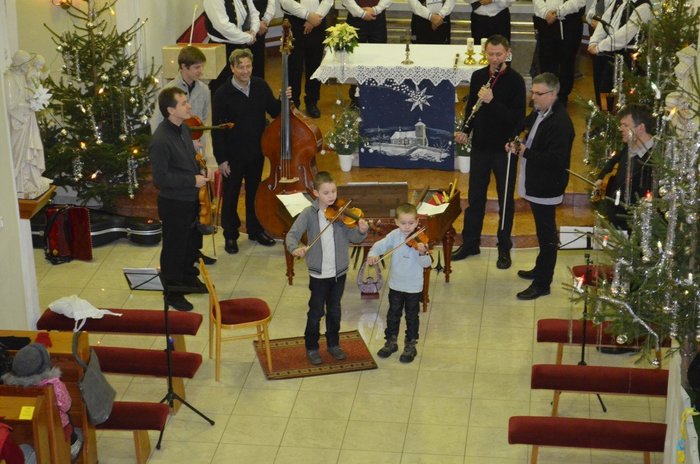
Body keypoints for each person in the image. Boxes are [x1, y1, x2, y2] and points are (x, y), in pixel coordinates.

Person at [452, 35, 526, 270]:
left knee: (505, 200)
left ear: (508, 53)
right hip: (481, 146)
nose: (494, 59)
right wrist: (465, 130)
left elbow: (517, 119)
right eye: (490, 54)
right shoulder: (478, 77)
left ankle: (504, 247)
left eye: (498, 54)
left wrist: (492, 101)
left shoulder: (516, 81)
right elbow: (472, 110)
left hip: (504, 149)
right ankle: (470, 243)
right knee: (475, 198)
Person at [286, 171, 369, 365]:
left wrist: (361, 231)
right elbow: (292, 234)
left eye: (334, 191)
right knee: (316, 312)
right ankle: (312, 347)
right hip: (318, 274)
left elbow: (354, 238)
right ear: (316, 193)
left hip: (339, 273)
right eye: (326, 193)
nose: (331, 196)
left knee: (334, 310)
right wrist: (295, 248)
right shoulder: (309, 214)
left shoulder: (341, 213)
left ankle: (333, 344)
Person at [212, 49, 286, 254]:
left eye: (248, 66)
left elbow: (274, 110)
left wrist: (284, 99)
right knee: (231, 195)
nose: (245, 71)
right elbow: (217, 130)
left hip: (256, 152)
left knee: (254, 193)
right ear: (232, 68)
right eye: (241, 67)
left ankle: (255, 230)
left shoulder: (260, 86)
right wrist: (222, 159)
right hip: (233, 155)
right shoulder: (222, 94)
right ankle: (230, 235)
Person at [507, 72, 574, 300]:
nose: (533, 97)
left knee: (547, 237)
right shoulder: (541, 111)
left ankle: (543, 283)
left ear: (553, 94)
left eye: (539, 93)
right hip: (536, 181)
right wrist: (515, 140)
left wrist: (525, 152)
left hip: (547, 185)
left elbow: (556, 161)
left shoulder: (561, 123)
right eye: (532, 92)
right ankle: (539, 268)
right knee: (541, 230)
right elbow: (525, 124)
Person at [150, 45, 217, 267]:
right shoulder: (169, 92)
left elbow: (204, 122)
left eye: (201, 67)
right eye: (196, 67)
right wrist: (178, 144)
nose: (200, 71)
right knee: (180, 227)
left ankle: (194, 252)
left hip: (194, 152)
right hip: (177, 156)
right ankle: (183, 262)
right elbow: (158, 125)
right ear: (183, 67)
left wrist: (204, 155)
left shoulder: (204, 90)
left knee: (197, 211)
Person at [150, 87, 210, 311]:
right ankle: (172, 293)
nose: (189, 106)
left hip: (191, 199)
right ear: (170, 110)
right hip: (174, 202)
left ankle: (187, 278)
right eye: (183, 103)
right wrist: (192, 180)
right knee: (174, 248)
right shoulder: (160, 140)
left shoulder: (184, 128)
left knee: (190, 243)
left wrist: (199, 167)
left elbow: (188, 159)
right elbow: (161, 179)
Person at [367, 203, 432, 363]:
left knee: (412, 317)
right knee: (393, 315)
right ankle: (391, 342)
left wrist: (422, 253)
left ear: (417, 222)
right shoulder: (394, 236)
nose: (407, 227)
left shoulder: (421, 239)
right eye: (403, 223)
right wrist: (373, 254)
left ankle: (410, 345)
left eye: (411, 223)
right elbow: (379, 246)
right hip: (396, 284)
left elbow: (427, 264)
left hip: (413, 287)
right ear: (396, 222)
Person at [2, 343, 83, 460]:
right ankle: (73, 447)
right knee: (67, 420)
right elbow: (66, 405)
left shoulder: (10, 387)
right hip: (54, 430)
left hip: (23, 432)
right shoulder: (54, 385)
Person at [595, 104, 654, 229]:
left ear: (641, 128)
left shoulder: (653, 159)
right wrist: (600, 179)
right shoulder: (629, 147)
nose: (621, 129)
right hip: (616, 218)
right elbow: (612, 162)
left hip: (632, 224)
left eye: (625, 125)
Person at [5, 50, 52, 199]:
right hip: (18, 122)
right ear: (19, 64)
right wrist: (30, 104)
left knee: (30, 150)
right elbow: (10, 105)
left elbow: (29, 92)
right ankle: (19, 183)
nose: (28, 67)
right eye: (26, 64)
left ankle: (29, 179)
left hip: (27, 119)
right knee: (18, 152)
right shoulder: (8, 78)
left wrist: (35, 100)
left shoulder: (23, 76)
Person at [587, 0, 651, 107]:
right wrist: (594, 41)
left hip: (628, 57)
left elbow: (624, 35)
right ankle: (603, 112)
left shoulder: (643, 6)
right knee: (601, 88)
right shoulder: (619, 1)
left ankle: (611, 113)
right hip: (608, 50)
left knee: (615, 91)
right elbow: (604, 22)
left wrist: (599, 47)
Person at [280, 0, 333, 118]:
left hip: (318, 21)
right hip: (294, 22)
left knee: (315, 65)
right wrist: (308, 16)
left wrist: (316, 18)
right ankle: (293, 104)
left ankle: (312, 101)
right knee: (294, 67)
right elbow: (285, 2)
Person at [532, 0, 586, 107]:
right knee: (545, 61)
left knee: (566, 62)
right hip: (546, 22)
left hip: (569, 24)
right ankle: (546, 94)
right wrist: (545, 13)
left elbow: (578, 2)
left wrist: (557, 13)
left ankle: (561, 96)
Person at [203, 0, 261, 96]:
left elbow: (254, 13)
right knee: (224, 90)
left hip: (242, 45)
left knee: (245, 85)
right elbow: (223, 26)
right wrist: (248, 37)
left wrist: (253, 31)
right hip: (222, 50)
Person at [342, 0, 392, 105]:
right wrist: (362, 13)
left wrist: (375, 10)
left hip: (377, 17)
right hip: (355, 17)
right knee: (355, 59)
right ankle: (355, 97)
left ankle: (377, 94)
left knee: (378, 58)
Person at [251, 0, 276, 80]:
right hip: (244, 28)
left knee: (258, 63)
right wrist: (256, 25)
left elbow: (271, 4)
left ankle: (258, 86)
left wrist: (265, 21)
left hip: (261, 28)